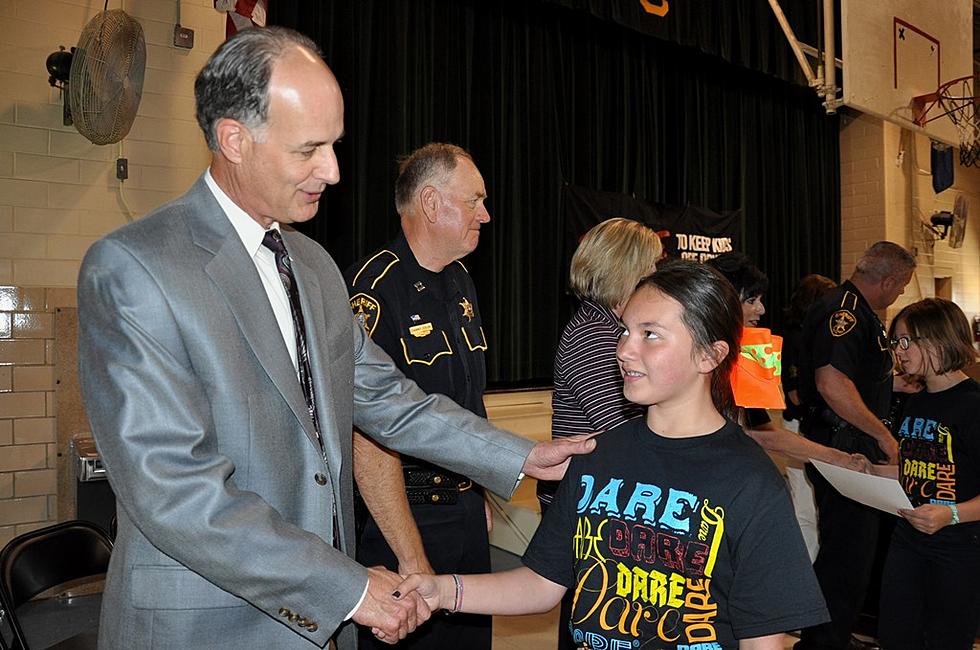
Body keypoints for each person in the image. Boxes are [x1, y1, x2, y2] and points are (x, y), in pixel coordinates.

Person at [76, 27, 593, 650]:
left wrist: (517, 455)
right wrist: (348, 588)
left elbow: (386, 398)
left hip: (319, 630)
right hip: (206, 625)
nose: (333, 170)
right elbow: (174, 491)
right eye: (310, 149)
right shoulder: (136, 267)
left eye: (335, 145)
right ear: (235, 139)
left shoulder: (313, 265)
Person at [395, 260, 830, 649]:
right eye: (624, 330)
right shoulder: (596, 455)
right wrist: (442, 591)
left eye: (650, 335)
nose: (624, 349)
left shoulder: (752, 484)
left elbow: (764, 642)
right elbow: (542, 584)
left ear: (709, 355)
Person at [344, 143, 494, 649]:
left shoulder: (461, 282)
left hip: (464, 513)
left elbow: (471, 401)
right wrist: (411, 556)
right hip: (406, 520)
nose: (485, 214)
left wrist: (479, 490)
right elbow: (366, 434)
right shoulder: (376, 291)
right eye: (474, 200)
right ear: (432, 204)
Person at [538, 217, 662, 650]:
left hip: (602, 502)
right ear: (628, 271)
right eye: (652, 268)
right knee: (591, 625)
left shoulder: (610, 330)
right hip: (590, 511)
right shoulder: (595, 335)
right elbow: (619, 429)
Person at [795, 241, 916, 650]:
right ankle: (822, 642)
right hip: (843, 449)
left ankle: (834, 634)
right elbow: (831, 383)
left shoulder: (859, 310)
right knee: (846, 557)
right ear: (888, 281)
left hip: (849, 448)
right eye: (900, 289)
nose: (897, 296)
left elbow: (857, 376)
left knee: (853, 554)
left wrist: (893, 384)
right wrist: (884, 436)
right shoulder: (843, 311)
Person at [873, 298, 980, 650]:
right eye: (895, 342)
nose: (898, 352)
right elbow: (920, 470)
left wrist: (950, 514)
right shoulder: (916, 400)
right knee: (895, 636)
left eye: (905, 342)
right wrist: (872, 471)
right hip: (908, 540)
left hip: (959, 548)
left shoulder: (972, 406)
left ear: (936, 341)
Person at [705, 253, 868, 472]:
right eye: (752, 300)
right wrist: (837, 458)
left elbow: (762, 431)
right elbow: (763, 436)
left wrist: (838, 458)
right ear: (724, 302)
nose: (761, 309)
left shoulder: (742, 357)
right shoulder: (693, 356)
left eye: (760, 300)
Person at [780, 273, 838, 561]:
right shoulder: (794, 337)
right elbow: (793, 394)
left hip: (807, 425)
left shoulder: (814, 335)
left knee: (812, 503)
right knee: (803, 503)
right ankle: (806, 564)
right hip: (798, 427)